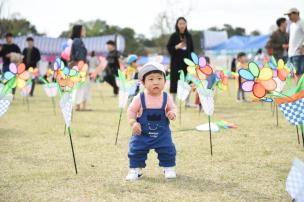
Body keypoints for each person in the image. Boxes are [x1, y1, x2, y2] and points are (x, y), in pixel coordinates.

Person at [126, 62, 177, 181]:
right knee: (136, 149)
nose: (156, 82)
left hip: (162, 133)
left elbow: (172, 107)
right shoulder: (140, 97)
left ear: (165, 80)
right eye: (151, 79)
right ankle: (135, 169)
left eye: (160, 78)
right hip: (142, 132)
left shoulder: (166, 97)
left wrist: (171, 113)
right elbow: (132, 110)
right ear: (143, 82)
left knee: (168, 149)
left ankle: (168, 167)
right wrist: (133, 123)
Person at [167, 17, 194, 102]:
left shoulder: (189, 36)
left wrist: (192, 63)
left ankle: (187, 102)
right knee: (174, 82)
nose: (182, 25)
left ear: (186, 25)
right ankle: (173, 102)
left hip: (187, 64)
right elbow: (169, 47)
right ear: (177, 25)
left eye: (183, 23)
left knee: (187, 82)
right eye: (180, 23)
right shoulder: (174, 36)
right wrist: (176, 46)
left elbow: (192, 50)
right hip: (176, 64)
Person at [70, 25, 90, 111]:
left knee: (80, 86)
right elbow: (80, 55)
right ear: (79, 31)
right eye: (83, 30)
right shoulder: (78, 41)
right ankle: (78, 106)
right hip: (80, 66)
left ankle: (80, 106)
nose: (85, 31)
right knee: (80, 86)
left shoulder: (77, 41)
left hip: (78, 65)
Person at [285, 8, 304, 79]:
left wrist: (303, 46)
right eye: (288, 15)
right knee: (291, 74)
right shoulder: (292, 25)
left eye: (290, 15)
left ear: (296, 14)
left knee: (299, 74)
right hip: (291, 53)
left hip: (298, 53)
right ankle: (296, 89)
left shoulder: (302, 22)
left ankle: (300, 90)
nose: (289, 17)